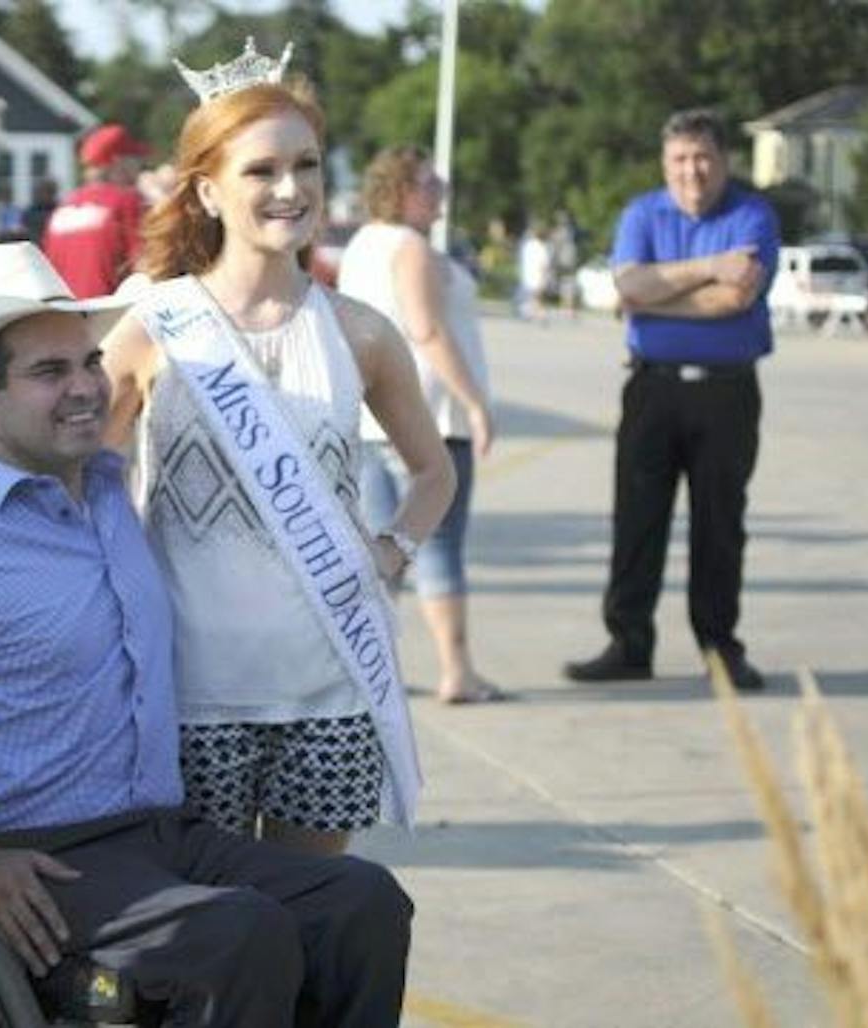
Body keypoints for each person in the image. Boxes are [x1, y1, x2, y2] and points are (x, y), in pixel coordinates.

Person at [0, 240, 412, 1026]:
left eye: (88, 362)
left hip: (157, 833)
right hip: (37, 856)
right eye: (49, 373)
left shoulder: (108, 495)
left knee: (361, 903)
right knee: (236, 938)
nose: (84, 388)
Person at [100, 41, 454, 856]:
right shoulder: (157, 326)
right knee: (206, 937)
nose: (290, 189)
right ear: (208, 190)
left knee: (309, 926)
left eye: (307, 164)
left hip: (331, 691)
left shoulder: (361, 333)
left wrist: (392, 552)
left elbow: (434, 472)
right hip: (191, 691)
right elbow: (87, 476)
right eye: (261, 170)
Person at [563, 108, 778, 692]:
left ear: (724, 159)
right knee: (636, 520)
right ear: (665, 163)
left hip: (726, 392)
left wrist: (654, 296)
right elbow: (629, 285)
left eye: (703, 156)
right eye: (680, 158)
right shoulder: (642, 213)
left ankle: (720, 650)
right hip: (651, 388)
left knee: (719, 522)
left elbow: (736, 299)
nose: (693, 170)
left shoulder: (752, 214)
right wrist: (707, 268)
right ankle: (629, 644)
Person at [337, 145, 502, 706]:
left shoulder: (361, 244)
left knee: (385, 549)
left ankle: (371, 667)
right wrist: (476, 403)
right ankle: (458, 670)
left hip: (370, 417)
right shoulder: (410, 247)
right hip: (428, 416)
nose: (442, 193)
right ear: (400, 190)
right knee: (438, 545)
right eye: (429, 184)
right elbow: (427, 330)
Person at [42, 123, 149, 298]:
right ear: (118, 162)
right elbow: (147, 265)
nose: (140, 166)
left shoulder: (63, 207)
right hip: (110, 315)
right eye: (135, 158)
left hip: (65, 316)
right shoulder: (128, 200)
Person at [517, 219, 551, 321]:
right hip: (538, 275)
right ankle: (539, 314)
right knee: (537, 297)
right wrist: (545, 276)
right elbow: (544, 264)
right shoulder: (542, 247)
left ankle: (532, 313)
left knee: (532, 296)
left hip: (528, 275)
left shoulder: (528, 246)